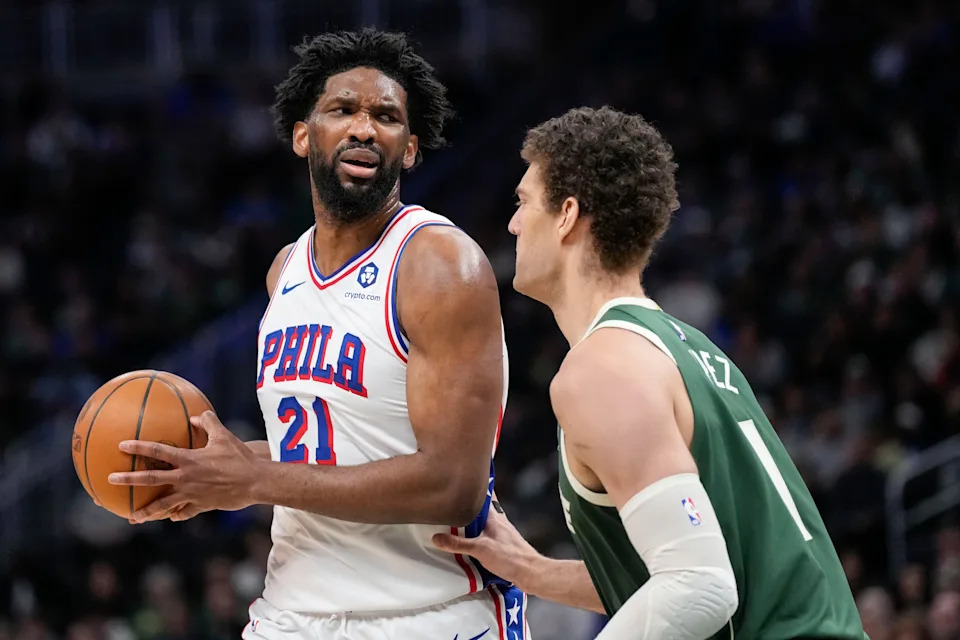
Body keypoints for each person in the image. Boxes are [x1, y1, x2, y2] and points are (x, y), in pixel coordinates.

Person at [108, 29, 528, 640]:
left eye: (386, 116)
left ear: (409, 149)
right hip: (291, 612)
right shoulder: (286, 270)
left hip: (427, 615)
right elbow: (323, 449)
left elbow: (452, 486)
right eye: (343, 110)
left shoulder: (439, 264)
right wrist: (207, 472)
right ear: (304, 135)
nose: (364, 128)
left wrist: (253, 480)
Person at [433, 106, 867, 639]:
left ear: (567, 214)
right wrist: (534, 572)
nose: (513, 223)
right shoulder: (686, 348)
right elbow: (707, 564)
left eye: (523, 202)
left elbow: (700, 588)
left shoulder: (601, 369)